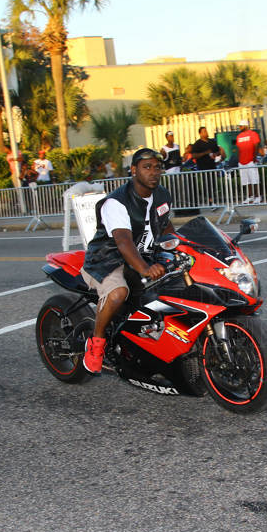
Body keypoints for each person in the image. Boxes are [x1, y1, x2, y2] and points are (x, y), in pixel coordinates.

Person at [81, 148, 174, 374]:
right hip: (108, 259)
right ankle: (96, 342)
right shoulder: (117, 202)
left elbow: (166, 227)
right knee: (118, 293)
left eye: (157, 167)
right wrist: (145, 268)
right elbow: (123, 241)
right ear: (133, 170)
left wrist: (183, 247)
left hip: (145, 256)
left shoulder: (162, 195)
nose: (153, 172)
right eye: (146, 167)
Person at [235, 119, 262, 204]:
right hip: (242, 161)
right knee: (246, 181)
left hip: (251, 160)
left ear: (245, 126)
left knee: (254, 179)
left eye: (241, 126)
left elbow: (256, 145)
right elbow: (239, 148)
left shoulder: (253, 134)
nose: (240, 127)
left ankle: (258, 196)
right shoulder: (239, 136)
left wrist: (254, 156)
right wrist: (239, 159)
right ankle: (250, 196)